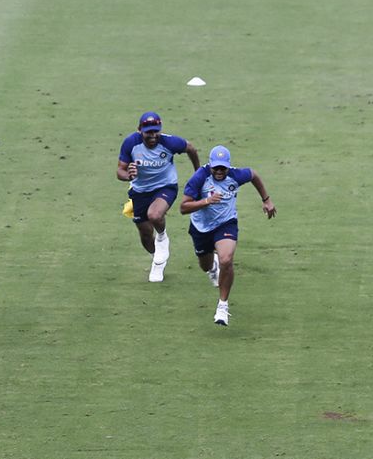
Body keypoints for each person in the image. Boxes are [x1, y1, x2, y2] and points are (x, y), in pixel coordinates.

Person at [179, 146, 275, 327]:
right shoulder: (200, 177)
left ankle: (222, 306)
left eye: (223, 168)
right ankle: (213, 268)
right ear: (211, 165)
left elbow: (253, 175)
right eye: (216, 168)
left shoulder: (236, 175)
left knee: (226, 259)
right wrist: (207, 201)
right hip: (201, 227)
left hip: (226, 223)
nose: (220, 172)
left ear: (228, 166)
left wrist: (266, 199)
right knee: (205, 265)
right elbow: (183, 207)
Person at [117, 111, 200, 282]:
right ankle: (158, 260)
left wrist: (197, 174)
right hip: (139, 191)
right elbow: (120, 170)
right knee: (146, 236)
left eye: (156, 131)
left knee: (154, 215)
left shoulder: (169, 142)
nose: (153, 136)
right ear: (140, 130)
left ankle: (162, 237)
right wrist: (128, 176)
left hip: (165, 186)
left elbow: (190, 148)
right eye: (149, 132)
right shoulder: (130, 143)